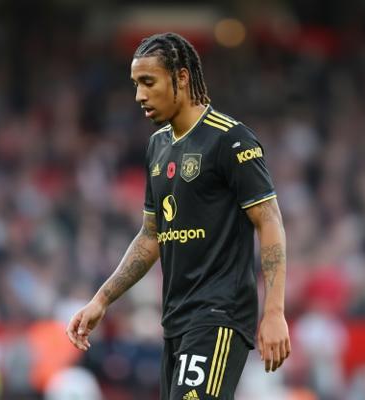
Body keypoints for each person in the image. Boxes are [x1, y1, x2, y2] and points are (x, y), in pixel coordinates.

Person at [66, 32, 290, 400]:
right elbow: (151, 235)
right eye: (136, 84)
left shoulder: (230, 140)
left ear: (181, 78)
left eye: (148, 82)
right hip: (175, 323)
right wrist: (102, 299)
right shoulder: (157, 146)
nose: (139, 95)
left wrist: (275, 311)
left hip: (219, 314)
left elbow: (269, 221)